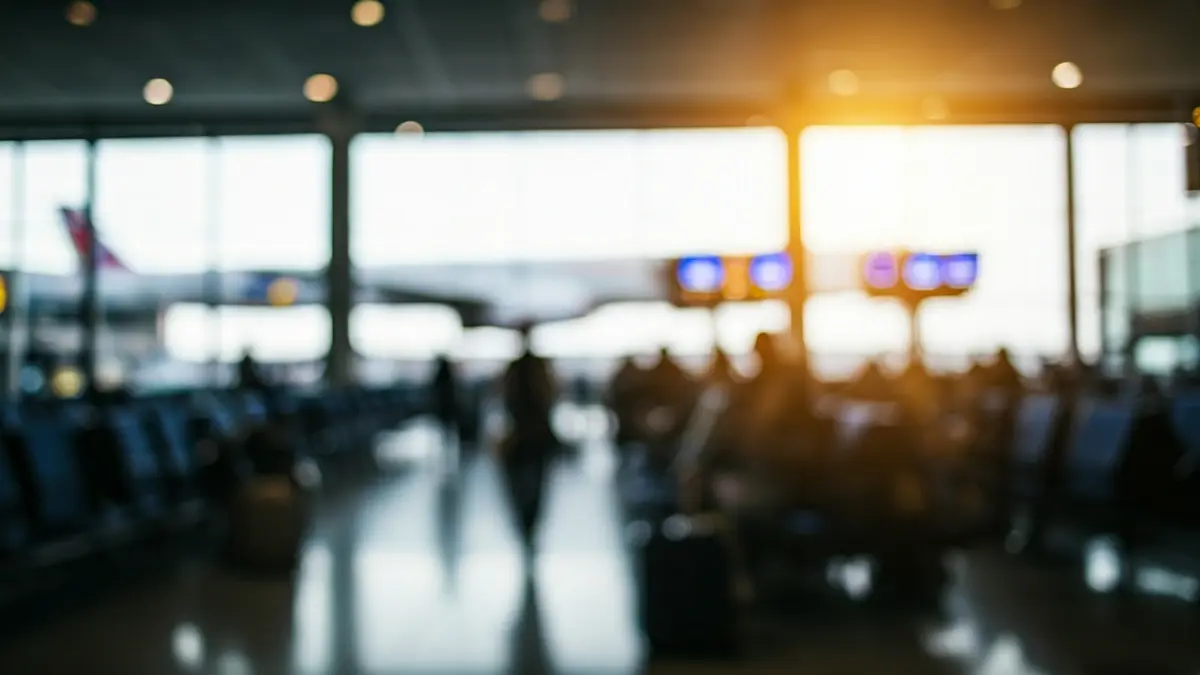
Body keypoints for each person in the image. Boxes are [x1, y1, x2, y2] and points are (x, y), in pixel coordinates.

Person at [499, 323, 559, 556]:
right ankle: (530, 526)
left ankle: (527, 526)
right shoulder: (538, 367)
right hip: (535, 436)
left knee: (523, 486)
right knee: (536, 485)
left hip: (523, 436)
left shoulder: (516, 368)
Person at [430, 354, 460, 455]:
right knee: (448, 428)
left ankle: (445, 445)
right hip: (448, 407)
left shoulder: (440, 377)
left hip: (444, 407)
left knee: (445, 428)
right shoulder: (448, 377)